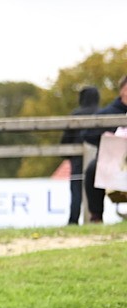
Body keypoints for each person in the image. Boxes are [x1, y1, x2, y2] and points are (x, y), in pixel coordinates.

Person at [82, 76, 127, 224]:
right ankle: (96, 217)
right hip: (113, 162)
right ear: (122, 90)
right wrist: (109, 138)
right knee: (92, 169)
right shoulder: (107, 113)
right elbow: (87, 134)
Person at [61, 87, 100, 225]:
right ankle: (96, 218)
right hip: (98, 158)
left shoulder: (76, 115)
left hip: (77, 159)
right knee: (96, 189)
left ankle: (73, 220)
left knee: (76, 189)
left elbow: (65, 139)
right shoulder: (100, 114)